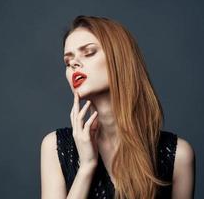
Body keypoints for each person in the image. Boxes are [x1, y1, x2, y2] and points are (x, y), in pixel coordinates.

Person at [40, 15, 195, 199]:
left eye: (88, 52)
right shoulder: (55, 147)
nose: (74, 64)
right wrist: (87, 167)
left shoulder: (178, 156)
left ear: (119, 58)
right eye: (68, 61)